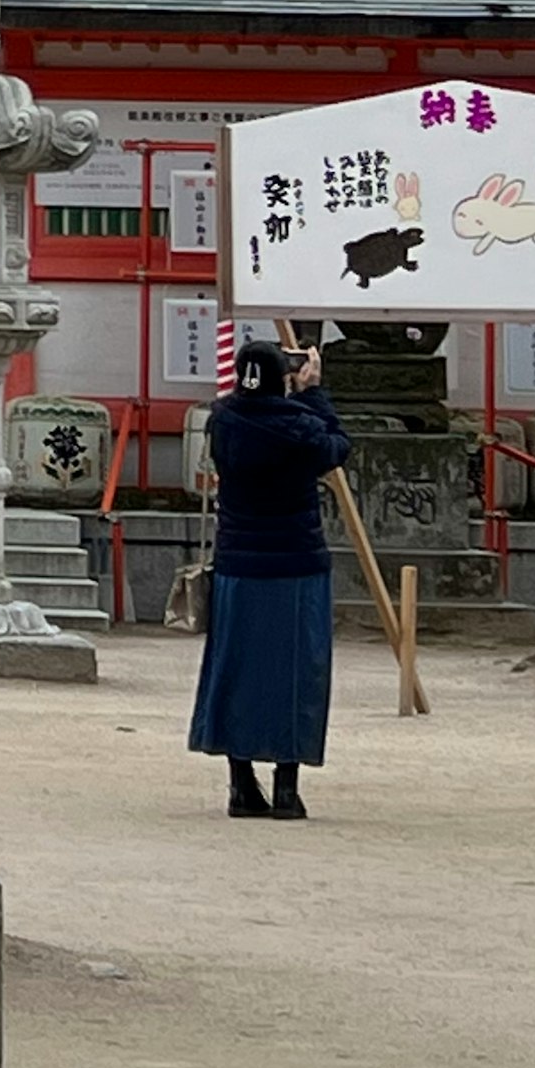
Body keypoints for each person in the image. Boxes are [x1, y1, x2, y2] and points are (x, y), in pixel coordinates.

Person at [190, 336, 352, 818]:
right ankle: (286, 788)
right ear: (285, 375)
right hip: (295, 563)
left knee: (235, 670)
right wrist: (313, 391)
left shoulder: (223, 421)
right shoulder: (298, 425)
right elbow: (336, 446)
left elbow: (246, 407)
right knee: (296, 673)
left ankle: (241, 784)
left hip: (238, 562)